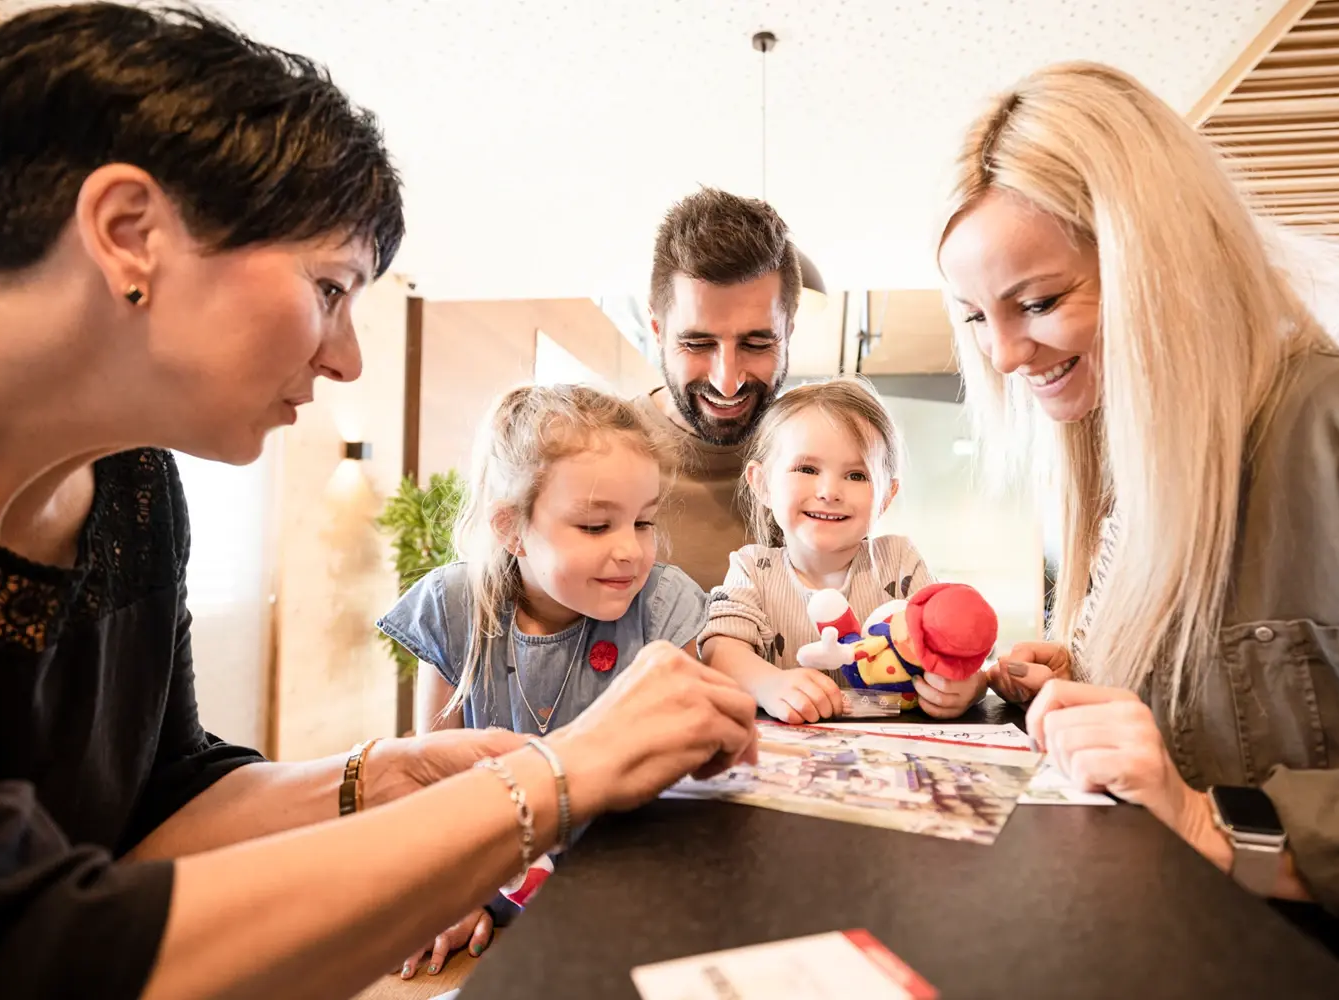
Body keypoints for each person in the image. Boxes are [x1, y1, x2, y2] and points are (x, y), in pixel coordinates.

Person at [0, 7, 756, 998]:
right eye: (331, 288)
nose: (345, 356)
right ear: (129, 234)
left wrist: (372, 777)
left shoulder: (133, 487)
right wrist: (557, 776)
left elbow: (157, 802)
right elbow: (25, 948)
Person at [938, 61, 1339, 990]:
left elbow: (1207, 806)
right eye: (978, 316)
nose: (1005, 353)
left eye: (1042, 302)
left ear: (1160, 262)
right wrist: (1078, 683)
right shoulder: (1122, 483)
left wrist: (1219, 826)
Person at [377, 383, 708, 972]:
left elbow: (685, 789)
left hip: (630, 906)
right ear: (511, 527)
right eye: (595, 526)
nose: (631, 551)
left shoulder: (662, 606)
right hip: (497, 912)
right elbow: (432, 778)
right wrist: (450, 897)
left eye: (645, 521)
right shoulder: (456, 610)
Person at [700, 378, 987, 723]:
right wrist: (769, 684)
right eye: (807, 469)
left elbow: (952, 645)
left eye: (856, 475)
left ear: (885, 497)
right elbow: (720, 649)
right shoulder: (752, 568)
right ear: (762, 484)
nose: (829, 491)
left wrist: (972, 686)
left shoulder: (899, 560)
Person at [636, 187, 802, 590]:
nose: (727, 381)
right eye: (697, 344)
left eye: (757, 344)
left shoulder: (819, 453)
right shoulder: (595, 450)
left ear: (789, 332)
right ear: (658, 331)